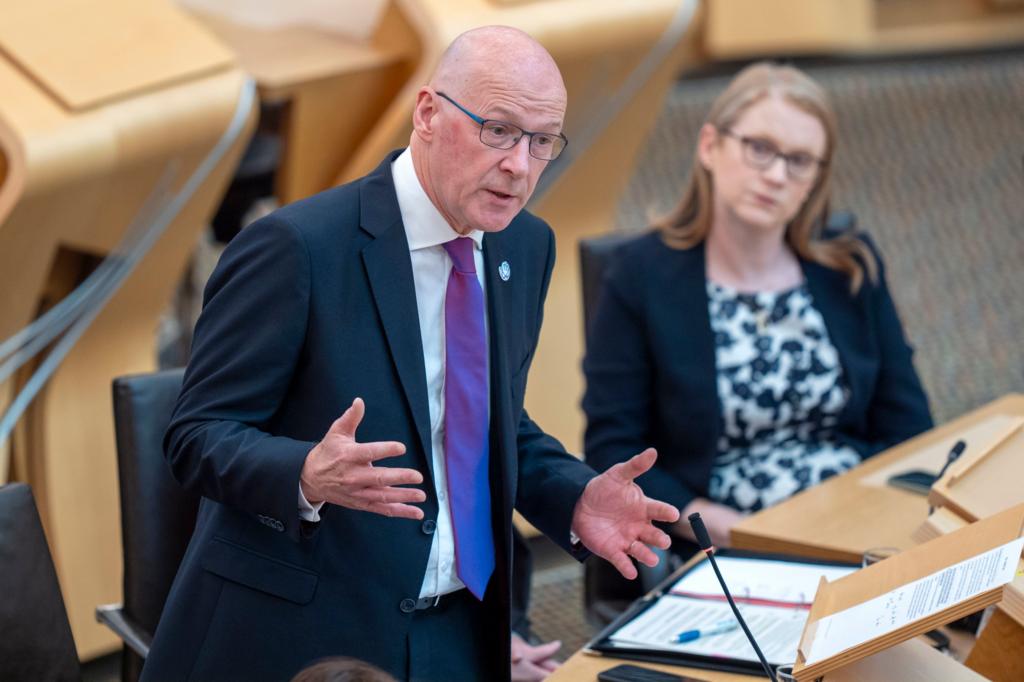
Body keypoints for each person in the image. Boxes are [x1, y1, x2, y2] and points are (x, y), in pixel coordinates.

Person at [143, 26, 679, 682]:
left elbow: (487, 427)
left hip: (458, 629)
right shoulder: (295, 249)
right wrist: (305, 473)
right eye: (500, 130)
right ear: (428, 113)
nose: (521, 165)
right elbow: (195, 436)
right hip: (303, 639)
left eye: (543, 142)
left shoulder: (523, 247)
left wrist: (574, 496)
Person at [582, 62, 932, 559]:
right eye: (760, 148)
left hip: (861, 522)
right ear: (710, 146)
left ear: (815, 177)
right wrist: (714, 525)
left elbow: (909, 426)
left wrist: (871, 517)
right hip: (731, 537)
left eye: (799, 161)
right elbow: (614, 450)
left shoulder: (849, 263)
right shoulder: (640, 276)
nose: (776, 175)